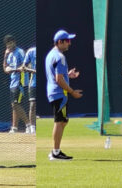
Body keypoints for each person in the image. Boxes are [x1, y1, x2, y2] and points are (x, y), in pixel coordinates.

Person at [45, 29, 82, 160]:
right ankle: (55, 152)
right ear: (60, 42)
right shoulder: (60, 57)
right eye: (67, 41)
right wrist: (72, 92)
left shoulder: (51, 54)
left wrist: (68, 75)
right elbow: (58, 79)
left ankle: (55, 150)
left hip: (55, 92)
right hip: (59, 93)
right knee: (59, 121)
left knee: (63, 121)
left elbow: (59, 76)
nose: (69, 43)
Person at [3, 34, 30, 133]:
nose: (9, 45)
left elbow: (25, 66)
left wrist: (14, 69)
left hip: (20, 81)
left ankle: (28, 125)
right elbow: (5, 69)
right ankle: (14, 127)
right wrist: (5, 56)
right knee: (14, 105)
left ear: (14, 42)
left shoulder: (20, 52)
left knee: (15, 104)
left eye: (11, 43)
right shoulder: (8, 54)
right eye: (7, 44)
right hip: (13, 82)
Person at [22, 46, 36, 133]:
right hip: (34, 83)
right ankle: (32, 127)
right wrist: (33, 70)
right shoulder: (31, 51)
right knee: (32, 105)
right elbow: (24, 67)